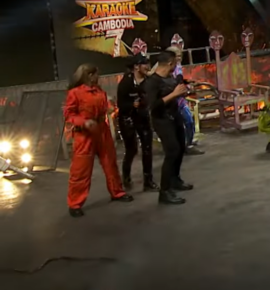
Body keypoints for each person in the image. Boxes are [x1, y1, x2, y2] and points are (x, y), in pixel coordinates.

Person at [64, 64, 133, 217]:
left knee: (110, 163)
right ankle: (75, 203)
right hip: (84, 134)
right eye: (96, 74)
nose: (98, 77)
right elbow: (69, 114)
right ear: (89, 75)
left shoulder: (98, 90)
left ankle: (117, 192)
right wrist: (84, 122)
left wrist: (109, 107)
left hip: (102, 130)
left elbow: (104, 104)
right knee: (81, 170)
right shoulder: (75, 93)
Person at [145, 51, 193, 205]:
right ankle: (164, 191)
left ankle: (175, 180)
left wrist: (183, 92)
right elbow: (153, 105)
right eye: (175, 63)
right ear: (170, 63)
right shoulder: (152, 82)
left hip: (174, 116)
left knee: (180, 148)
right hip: (162, 120)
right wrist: (174, 94)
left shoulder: (170, 78)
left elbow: (176, 92)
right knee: (172, 151)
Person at [116, 55, 158, 191]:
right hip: (127, 118)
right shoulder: (125, 83)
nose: (147, 67)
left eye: (148, 63)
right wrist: (131, 105)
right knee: (131, 149)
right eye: (144, 64)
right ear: (136, 67)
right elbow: (120, 104)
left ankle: (148, 181)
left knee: (147, 148)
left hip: (143, 117)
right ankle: (126, 177)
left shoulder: (148, 82)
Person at [164, 46, 204, 155]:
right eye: (177, 56)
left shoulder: (178, 67)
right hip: (174, 100)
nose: (179, 58)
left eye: (180, 55)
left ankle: (188, 142)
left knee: (189, 121)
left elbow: (179, 80)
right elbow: (173, 83)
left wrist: (187, 83)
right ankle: (186, 145)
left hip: (180, 99)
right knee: (186, 121)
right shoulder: (167, 70)